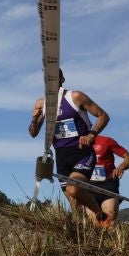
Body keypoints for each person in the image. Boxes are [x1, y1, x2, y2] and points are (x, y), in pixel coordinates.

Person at [28, 70, 112, 227]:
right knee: (75, 206)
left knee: (73, 189)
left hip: (82, 153)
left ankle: (100, 215)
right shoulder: (42, 103)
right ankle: (92, 230)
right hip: (61, 157)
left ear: (61, 79)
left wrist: (92, 134)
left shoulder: (75, 97)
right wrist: (34, 120)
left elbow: (103, 115)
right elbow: (33, 133)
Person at [85, 135, 129, 225]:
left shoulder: (106, 141)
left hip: (107, 184)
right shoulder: (74, 143)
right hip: (88, 186)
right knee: (94, 224)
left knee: (108, 221)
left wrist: (121, 167)